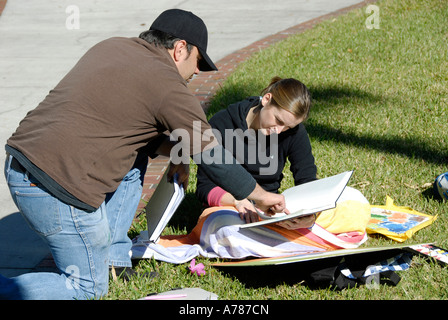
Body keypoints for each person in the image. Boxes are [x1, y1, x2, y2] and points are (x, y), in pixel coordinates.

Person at [1, 9, 286, 300]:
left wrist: (178, 152)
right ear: (179, 49)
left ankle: (114, 260)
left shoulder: (113, 46)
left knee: (136, 156)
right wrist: (260, 196)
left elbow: (133, 130)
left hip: (21, 160)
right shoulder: (168, 85)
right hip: (54, 187)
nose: (198, 71)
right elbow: (211, 153)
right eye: (198, 61)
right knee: (86, 287)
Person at [196, 77, 318, 229]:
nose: (278, 131)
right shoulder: (222, 124)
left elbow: (307, 179)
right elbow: (204, 187)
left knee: (352, 200)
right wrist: (237, 201)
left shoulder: (294, 131)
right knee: (225, 229)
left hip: (271, 212)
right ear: (267, 99)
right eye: (278, 120)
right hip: (230, 207)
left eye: (288, 127)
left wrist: (310, 215)